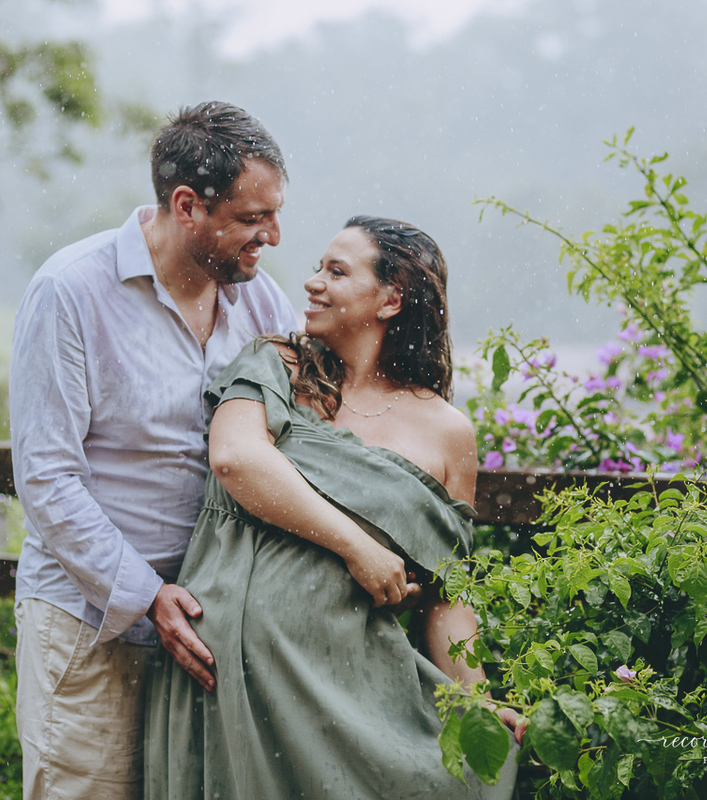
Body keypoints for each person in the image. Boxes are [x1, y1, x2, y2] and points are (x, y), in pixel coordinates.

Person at [145, 216, 520, 799]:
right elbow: (236, 460)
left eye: (336, 271)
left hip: (356, 696)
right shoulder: (272, 365)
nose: (312, 283)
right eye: (319, 267)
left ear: (392, 299)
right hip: (228, 682)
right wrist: (357, 546)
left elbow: (447, 592)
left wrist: (474, 699)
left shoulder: (448, 433)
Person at [9, 101, 299, 799]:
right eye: (254, 219)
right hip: (88, 627)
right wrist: (148, 597)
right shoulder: (69, 292)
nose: (275, 236)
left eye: (275, 214)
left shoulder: (262, 305)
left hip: (210, 632)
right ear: (187, 205)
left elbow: (316, 434)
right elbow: (46, 478)